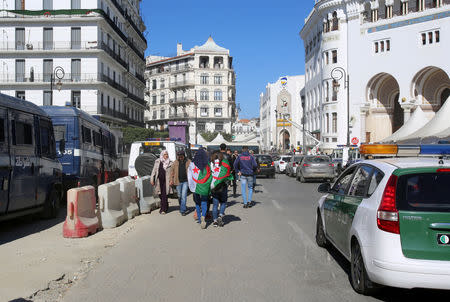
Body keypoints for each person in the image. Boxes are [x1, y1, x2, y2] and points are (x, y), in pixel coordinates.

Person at [188, 149, 212, 229]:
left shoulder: (192, 164)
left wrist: (191, 186)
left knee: (197, 203)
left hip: (195, 187)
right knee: (204, 202)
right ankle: (203, 216)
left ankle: (199, 217)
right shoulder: (208, 164)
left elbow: (189, 176)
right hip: (204, 186)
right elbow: (210, 175)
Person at [210, 144, 233, 227]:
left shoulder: (211, 164)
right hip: (223, 185)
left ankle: (215, 221)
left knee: (215, 204)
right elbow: (229, 170)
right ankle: (220, 215)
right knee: (223, 202)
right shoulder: (224, 162)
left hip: (213, 185)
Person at [150, 150, 173, 214]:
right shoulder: (157, 161)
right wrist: (152, 179)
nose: (166, 155)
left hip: (167, 181)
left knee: (164, 194)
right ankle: (166, 205)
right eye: (165, 154)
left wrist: (171, 180)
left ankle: (163, 209)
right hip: (159, 181)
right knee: (160, 194)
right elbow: (154, 171)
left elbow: (172, 173)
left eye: (167, 154)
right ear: (162, 155)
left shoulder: (170, 163)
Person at [169, 150, 191, 216]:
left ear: (184, 156)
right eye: (179, 156)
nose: (180, 157)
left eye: (181, 156)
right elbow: (171, 172)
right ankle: (182, 205)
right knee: (179, 196)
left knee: (184, 196)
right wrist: (171, 180)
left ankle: (182, 210)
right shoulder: (175, 162)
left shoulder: (188, 162)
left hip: (185, 181)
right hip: (177, 181)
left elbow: (192, 170)